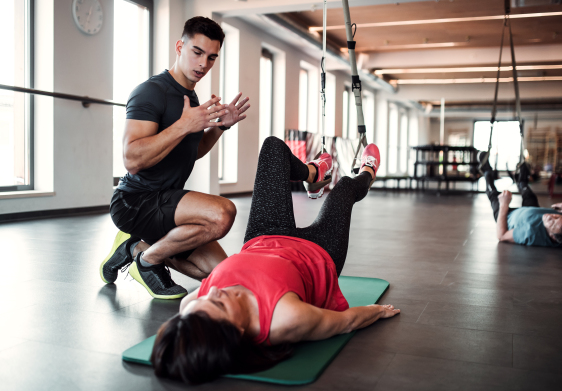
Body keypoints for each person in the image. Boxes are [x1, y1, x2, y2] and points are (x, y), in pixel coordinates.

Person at [150, 137, 400, 384]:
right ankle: (368, 172)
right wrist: (376, 312)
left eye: (204, 298)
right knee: (344, 188)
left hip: (263, 237)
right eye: (220, 305)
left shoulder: (191, 309)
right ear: (237, 332)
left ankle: (314, 175)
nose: (213, 290)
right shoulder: (286, 318)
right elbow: (345, 323)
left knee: (273, 148)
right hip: (319, 252)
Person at [99, 17, 251, 299]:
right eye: (197, 52)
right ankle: (146, 263)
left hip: (168, 200)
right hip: (136, 201)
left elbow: (191, 152)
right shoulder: (151, 92)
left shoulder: (191, 99)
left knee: (222, 273)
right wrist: (183, 126)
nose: (204, 64)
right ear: (180, 46)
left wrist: (220, 127)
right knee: (223, 214)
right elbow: (131, 159)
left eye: (211, 57)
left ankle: (135, 249)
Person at [479, 153, 562, 246]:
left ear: (553, 236)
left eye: (552, 222)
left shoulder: (530, 232)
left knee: (494, 195)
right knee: (529, 196)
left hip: (508, 217)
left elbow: (502, 236)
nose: (551, 216)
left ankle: (487, 172)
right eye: (557, 216)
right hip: (531, 211)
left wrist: (504, 204)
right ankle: (521, 181)